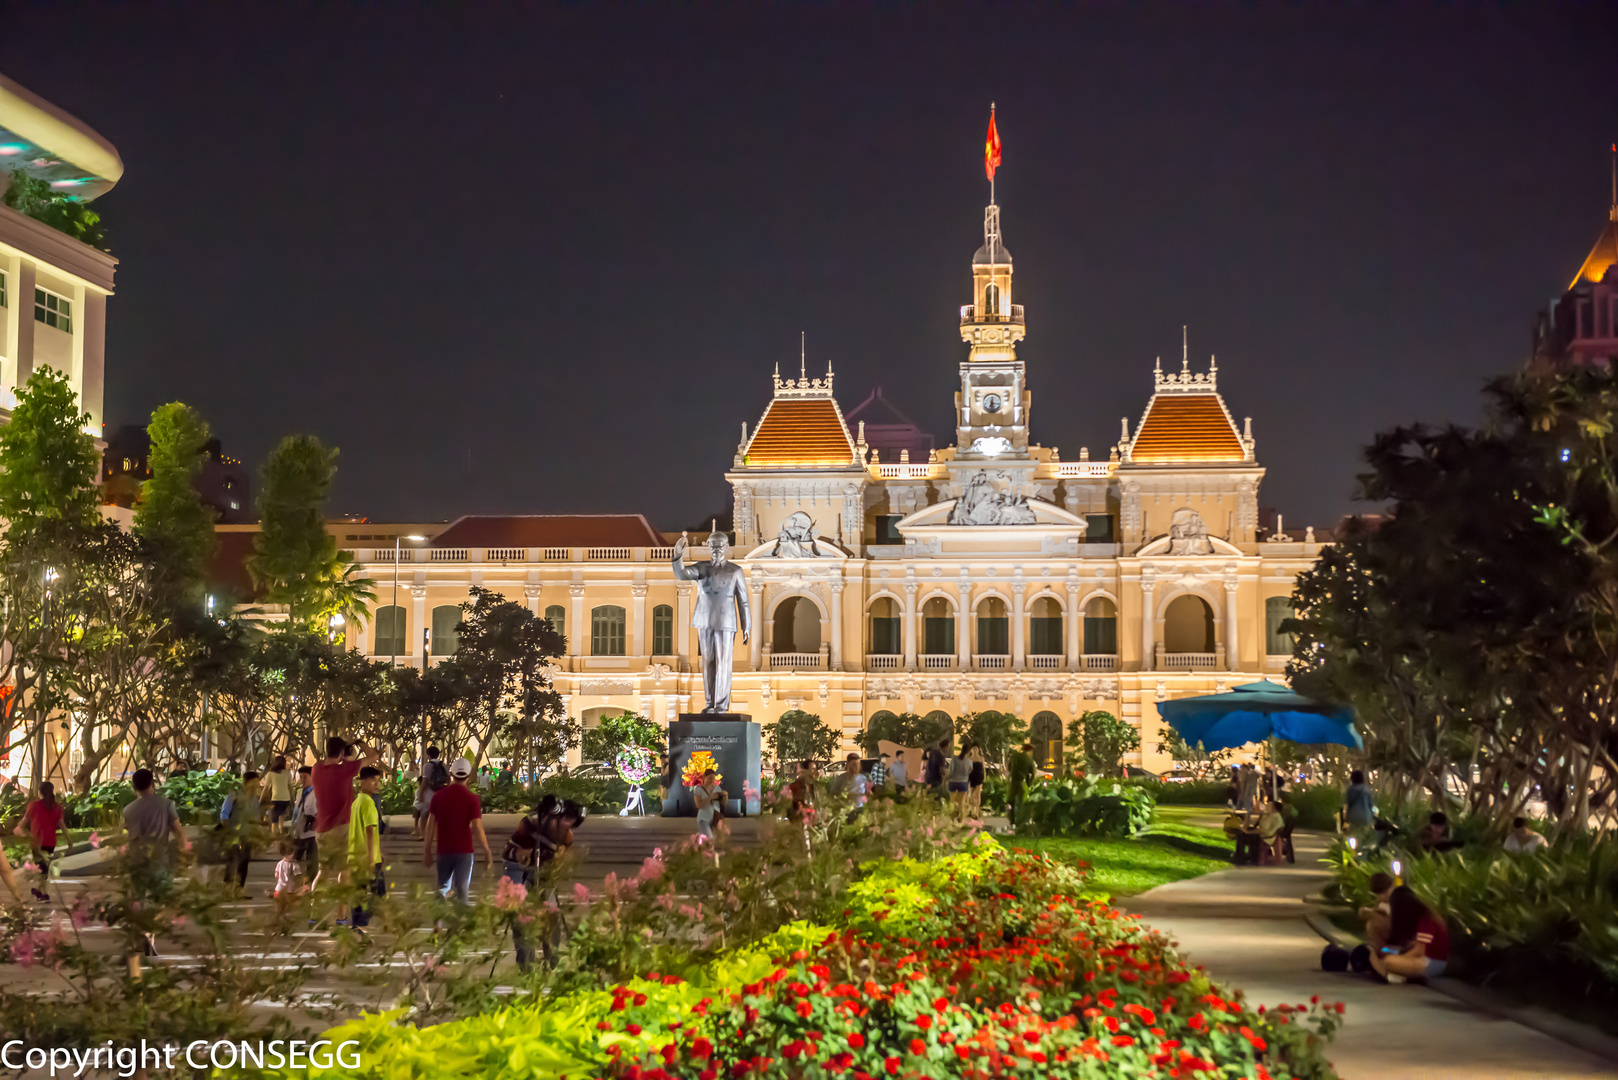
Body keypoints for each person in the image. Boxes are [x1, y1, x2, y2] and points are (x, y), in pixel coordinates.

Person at [120, 768, 189, 963]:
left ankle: (141, 937)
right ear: (153, 784)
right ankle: (149, 935)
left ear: (134, 787)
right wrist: (183, 854)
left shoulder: (128, 810)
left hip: (136, 863)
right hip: (160, 863)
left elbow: (125, 839)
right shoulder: (166, 805)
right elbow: (178, 832)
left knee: (137, 903)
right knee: (164, 903)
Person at [422, 757, 492, 903]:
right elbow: (477, 828)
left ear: (451, 775)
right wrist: (487, 851)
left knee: (441, 888)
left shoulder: (438, 797)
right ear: (468, 775)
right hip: (464, 851)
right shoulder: (472, 799)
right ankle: (461, 924)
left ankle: (437, 924)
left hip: (443, 850)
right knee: (462, 890)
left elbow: (430, 825)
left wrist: (427, 849)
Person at [312, 736, 378, 888]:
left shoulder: (316, 769)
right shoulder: (346, 769)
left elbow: (334, 762)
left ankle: (314, 908)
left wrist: (344, 754)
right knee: (345, 871)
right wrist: (358, 741)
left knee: (323, 871)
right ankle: (342, 913)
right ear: (341, 752)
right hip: (342, 827)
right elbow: (374, 756)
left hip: (322, 828)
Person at [1370, 885, 1450, 982]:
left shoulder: (1427, 918)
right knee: (1384, 952)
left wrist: (1398, 958)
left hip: (1433, 963)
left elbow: (1419, 951)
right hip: (1423, 959)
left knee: (1389, 961)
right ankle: (1392, 973)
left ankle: (1391, 975)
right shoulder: (1419, 918)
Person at [348, 766, 385, 935]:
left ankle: (356, 926)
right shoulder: (369, 803)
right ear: (362, 782)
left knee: (358, 893)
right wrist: (372, 858)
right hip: (368, 858)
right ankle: (361, 923)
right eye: (373, 780)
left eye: (378, 780)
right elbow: (370, 831)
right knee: (379, 895)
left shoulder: (357, 802)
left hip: (355, 856)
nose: (377, 784)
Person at [16, 782, 66, 901]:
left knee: (43, 868)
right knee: (44, 868)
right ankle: (42, 892)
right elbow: (62, 825)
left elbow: (22, 824)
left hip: (36, 842)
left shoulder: (34, 805)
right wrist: (69, 839)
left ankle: (42, 892)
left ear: (40, 791)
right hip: (50, 842)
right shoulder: (56, 807)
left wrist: (25, 834)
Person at [223, 770, 262, 890]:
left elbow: (255, 818)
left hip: (248, 835)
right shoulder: (234, 796)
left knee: (244, 863)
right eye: (255, 782)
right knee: (232, 862)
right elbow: (224, 815)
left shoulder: (255, 799)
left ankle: (239, 889)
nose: (257, 785)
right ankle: (228, 889)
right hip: (234, 834)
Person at [1356, 871, 1397, 952]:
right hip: (1392, 954)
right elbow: (1381, 949)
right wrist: (1399, 952)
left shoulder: (1392, 906)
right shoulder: (1374, 921)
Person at [290, 766, 319, 879]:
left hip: (312, 833)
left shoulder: (318, 793)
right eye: (300, 777)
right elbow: (295, 812)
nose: (302, 780)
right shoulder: (299, 793)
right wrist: (292, 828)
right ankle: (293, 885)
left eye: (305, 777)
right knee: (294, 860)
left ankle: (311, 886)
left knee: (312, 862)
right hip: (299, 830)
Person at [272, 839, 305, 917]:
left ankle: (279, 915)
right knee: (289, 903)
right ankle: (284, 916)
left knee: (279, 905)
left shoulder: (279, 863)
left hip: (278, 889)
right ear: (292, 853)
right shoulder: (293, 864)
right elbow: (298, 874)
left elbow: (276, 874)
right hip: (288, 889)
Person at [1007, 743, 1036, 825]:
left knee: (1010, 800)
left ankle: (1011, 818)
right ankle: (1020, 820)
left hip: (1013, 782)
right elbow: (1033, 774)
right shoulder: (1029, 760)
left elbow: (1009, 767)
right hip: (1022, 782)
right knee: (1022, 802)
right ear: (1029, 751)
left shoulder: (1014, 757)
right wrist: (1029, 784)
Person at [265, 755, 294, 835]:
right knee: (281, 819)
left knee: (274, 820)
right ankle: (281, 837)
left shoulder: (270, 774)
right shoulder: (287, 773)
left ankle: (274, 839)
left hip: (275, 799)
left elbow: (266, 788)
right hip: (285, 799)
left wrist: (261, 799)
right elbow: (290, 787)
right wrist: (293, 797)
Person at [694, 768, 727, 839]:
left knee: (712, 840)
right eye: (710, 778)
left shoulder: (717, 788)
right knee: (709, 838)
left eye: (713, 778)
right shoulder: (698, 789)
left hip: (715, 818)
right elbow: (698, 805)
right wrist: (710, 798)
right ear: (704, 777)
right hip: (703, 818)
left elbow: (723, 805)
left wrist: (725, 796)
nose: (711, 780)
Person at [1342, 770, 1376, 834]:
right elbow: (1371, 805)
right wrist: (1373, 816)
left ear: (1352, 779)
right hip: (1365, 816)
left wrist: (1346, 816)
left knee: (1352, 835)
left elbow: (1347, 803)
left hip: (1353, 816)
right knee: (1365, 836)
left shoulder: (1350, 790)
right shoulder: (1367, 790)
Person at [947, 743, 972, 821]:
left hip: (953, 782)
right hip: (963, 782)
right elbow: (969, 771)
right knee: (961, 802)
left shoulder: (954, 759)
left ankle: (953, 816)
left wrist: (946, 778)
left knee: (953, 801)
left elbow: (951, 771)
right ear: (968, 752)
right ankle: (960, 817)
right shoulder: (969, 761)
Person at [967, 745, 986, 817]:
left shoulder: (981, 758)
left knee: (977, 794)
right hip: (971, 777)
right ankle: (972, 810)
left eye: (976, 749)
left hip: (979, 777)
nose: (975, 750)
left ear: (978, 750)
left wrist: (984, 777)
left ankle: (977, 811)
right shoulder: (969, 758)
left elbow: (983, 768)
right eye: (973, 749)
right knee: (971, 794)